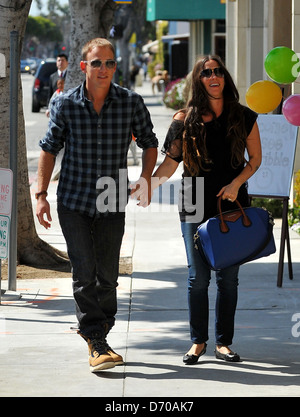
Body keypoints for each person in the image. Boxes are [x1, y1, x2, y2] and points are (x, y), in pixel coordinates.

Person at [36, 38, 158, 372]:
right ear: (83, 66)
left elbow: (149, 142)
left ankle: (100, 333)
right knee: (84, 271)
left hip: (112, 199)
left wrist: (146, 177)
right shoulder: (66, 104)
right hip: (73, 201)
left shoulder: (130, 102)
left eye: (109, 63)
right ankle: (95, 338)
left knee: (107, 277)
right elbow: (48, 148)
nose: (103, 69)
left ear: (115, 66)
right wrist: (41, 194)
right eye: (96, 63)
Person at [152, 55, 261, 364]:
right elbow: (170, 163)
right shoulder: (184, 119)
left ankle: (224, 343)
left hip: (231, 201)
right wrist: (147, 186)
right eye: (206, 73)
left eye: (218, 71)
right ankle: (198, 342)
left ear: (224, 77)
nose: (214, 76)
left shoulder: (243, 116)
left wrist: (236, 183)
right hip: (193, 198)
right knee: (197, 278)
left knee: (228, 278)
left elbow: (255, 159)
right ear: (198, 81)